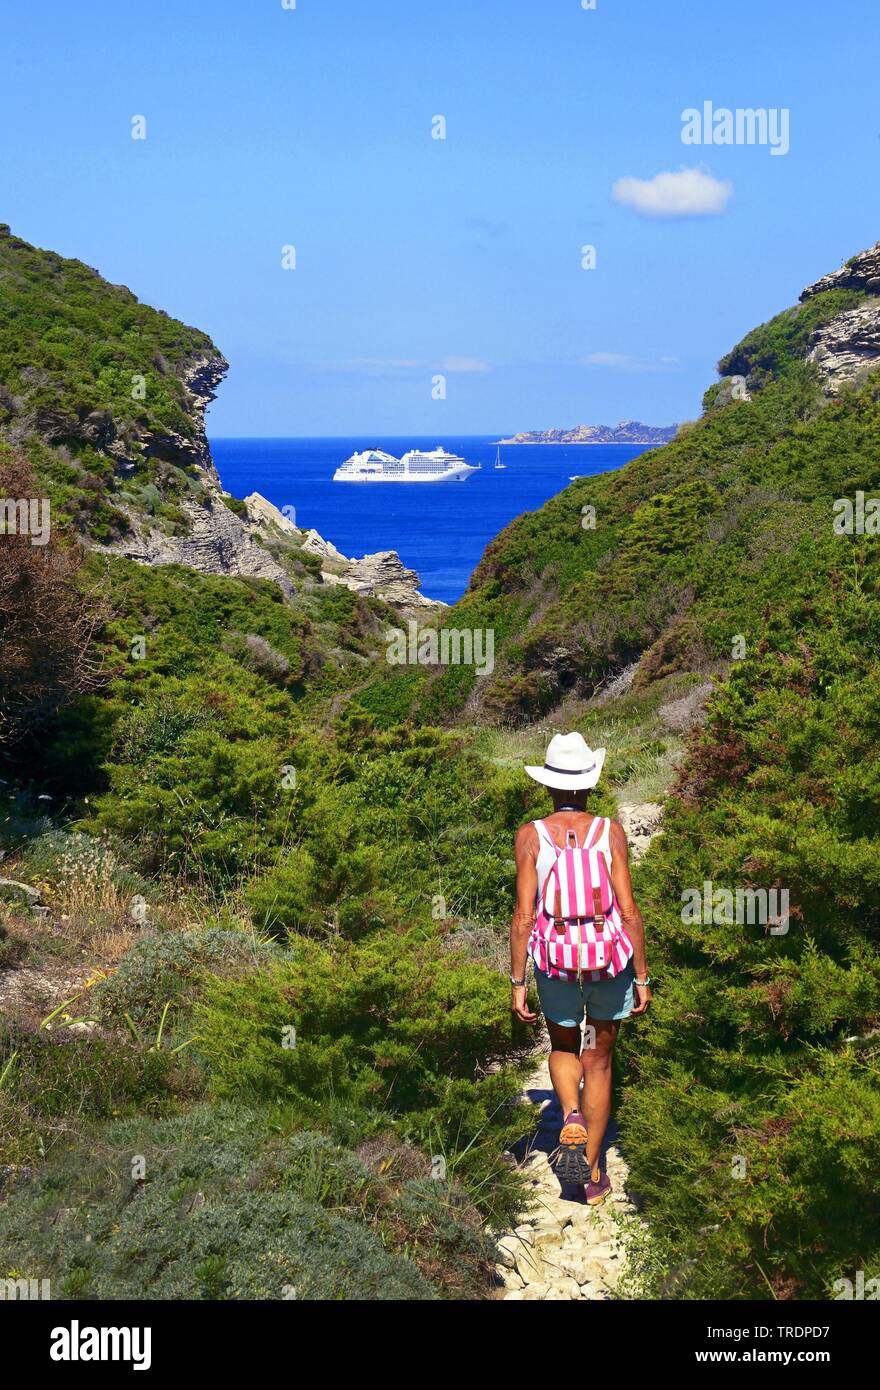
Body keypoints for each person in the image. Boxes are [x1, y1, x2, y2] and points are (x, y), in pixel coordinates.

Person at [509, 732, 652, 1203]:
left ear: (549, 786)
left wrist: (517, 981)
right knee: (600, 1058)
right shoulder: (608, 831)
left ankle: (569, 1113)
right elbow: (629, 910)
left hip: (556, 963)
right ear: (589, 784)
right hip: (607, 961)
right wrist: (642, 976)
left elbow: (524, 916)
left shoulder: (530, 835)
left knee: (565, 1047)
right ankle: (591, 1176)